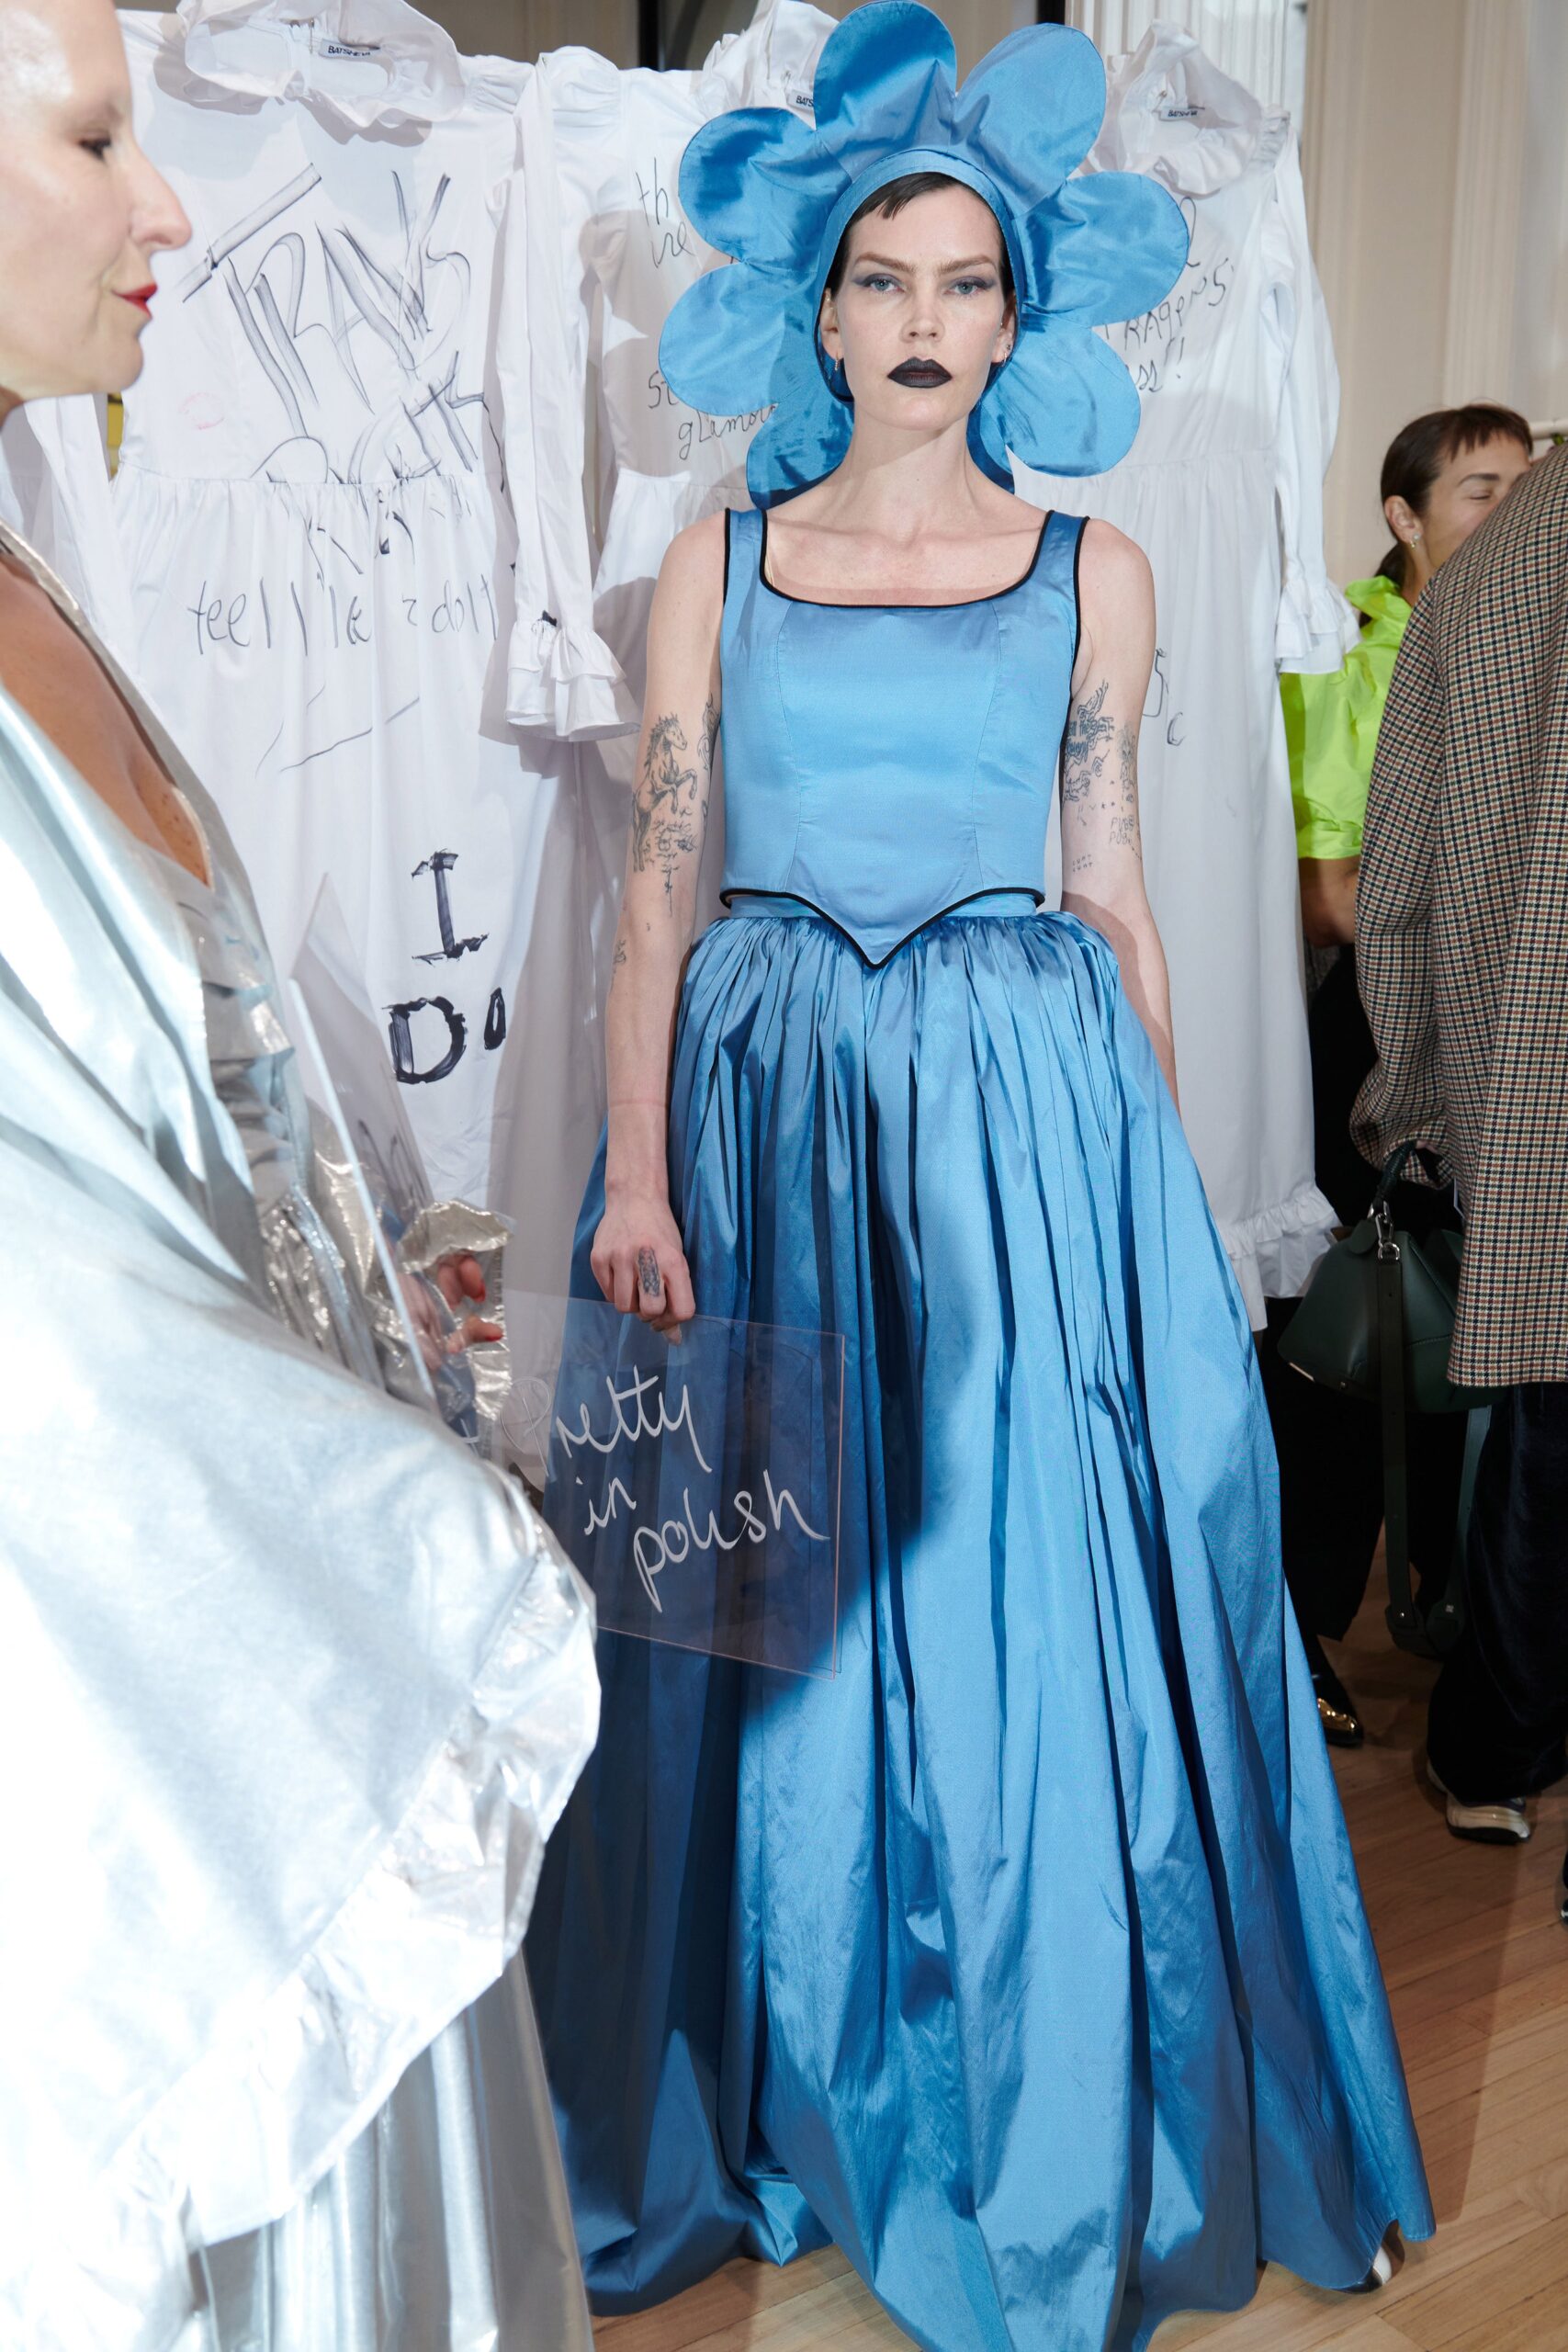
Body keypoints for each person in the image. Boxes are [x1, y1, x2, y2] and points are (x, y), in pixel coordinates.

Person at [525, 12, 1433, 2347]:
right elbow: (656, 894)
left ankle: (1013, 2105)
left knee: (1003, 1597)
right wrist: (633, 1175)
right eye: (881, 279)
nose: (922, 320)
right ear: (817, 314)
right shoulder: (713, 562)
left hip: (1018, 1118)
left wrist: (1152, 1185)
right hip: (760, 1098)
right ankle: (778, 2081)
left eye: (964, 283)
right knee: (760, 1603)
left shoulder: (1092, 569)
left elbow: (1109, 878)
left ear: (1019, 318)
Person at [0, 5, 599, 2345]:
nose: (167, 205)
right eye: (94, 137)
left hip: (296, 1623)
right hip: (170, 1719)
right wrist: (385, 1519)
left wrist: (353, 1309)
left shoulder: (38, 581)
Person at [1260, 406, 1532, 1746]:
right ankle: (1297, 1625)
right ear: (1404, 516)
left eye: (1527, 491)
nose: (1513, 516)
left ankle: (1454, 1608)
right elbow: (1327, 898)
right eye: (1481, 490)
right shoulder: (1344, 655)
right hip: (1370, 1023)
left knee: (1471, 1324)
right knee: (1345, 1329)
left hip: (1505, 1031)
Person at [1353, 438, 1568, 1914]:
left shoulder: (1487, 572)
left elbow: (1401, 884)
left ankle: (1492, 1747)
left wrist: (1423, 1103)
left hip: (1531, 1091)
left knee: (1551, 1423)